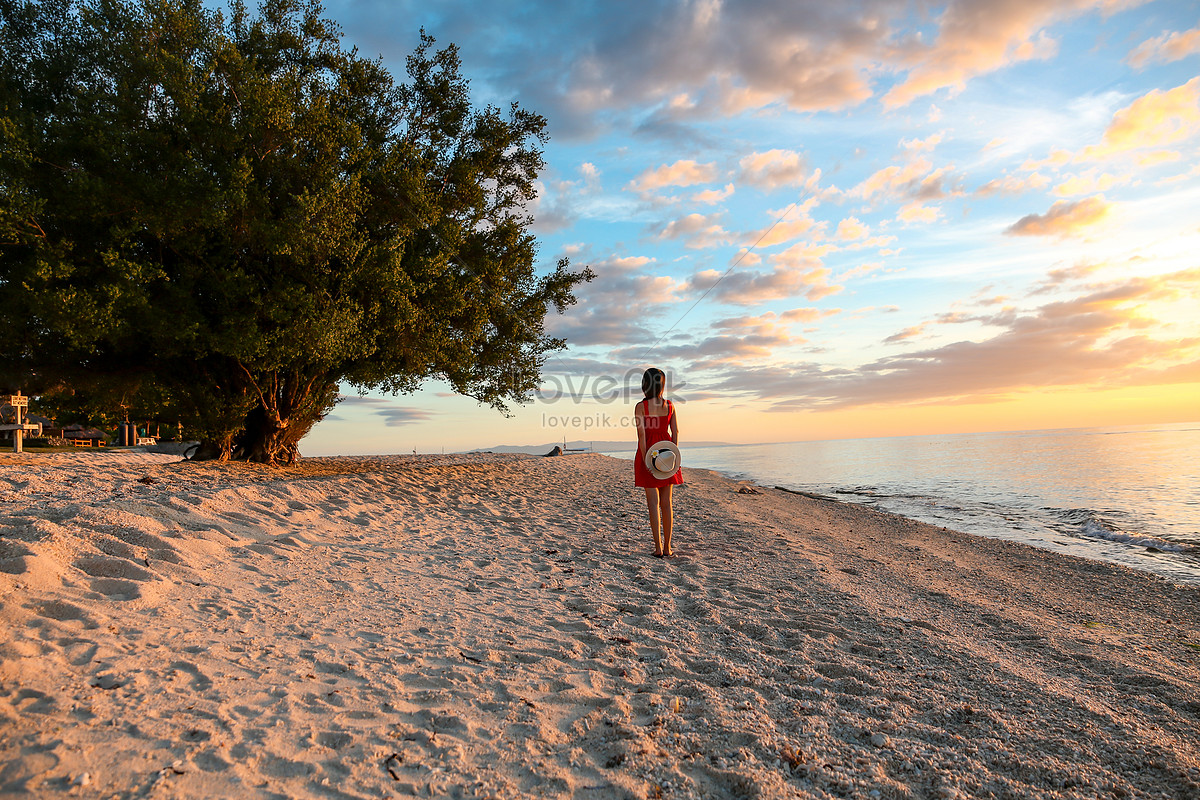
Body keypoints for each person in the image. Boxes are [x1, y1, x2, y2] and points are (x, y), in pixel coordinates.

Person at [633, 367, 682, 557]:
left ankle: (658, 548)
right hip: (667, 453)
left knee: (652, 504)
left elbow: (641, 436)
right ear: (662, 384)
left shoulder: (641, 407)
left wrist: (647, 461)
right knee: (666, 503)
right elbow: (676, 432)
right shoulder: (670, 406)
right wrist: (674, 455)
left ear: (645, 385)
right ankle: (668, 547)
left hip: (649, 454)